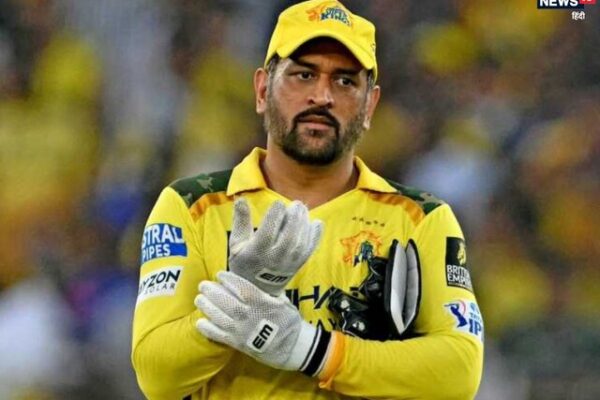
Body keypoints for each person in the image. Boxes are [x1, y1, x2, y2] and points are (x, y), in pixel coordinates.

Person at [131, 1, 484, 399]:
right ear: (262, 90)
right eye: (303, 75)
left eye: (345, 81)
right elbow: (156, 376)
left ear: (370, 105)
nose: (321, 96)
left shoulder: (421, 218)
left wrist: (311, 349)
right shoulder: (190, 206)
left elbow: (460, 372)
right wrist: (243, 294)